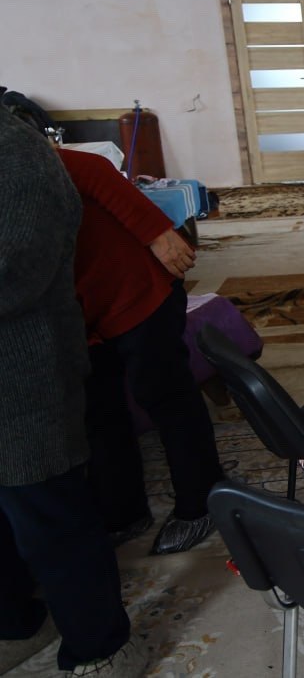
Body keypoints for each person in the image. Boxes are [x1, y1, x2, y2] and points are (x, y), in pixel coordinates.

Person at [0, 108, 145, 676]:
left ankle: (101, 646)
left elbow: (15, 270)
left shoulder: (17, 152)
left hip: (22, 382)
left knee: (50, 520)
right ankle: (15, 620)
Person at [56, 148, 225, 555]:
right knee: (100, 411)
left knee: (164, 396)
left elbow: (92, 169)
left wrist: (157, 232)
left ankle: (200, 505)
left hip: (136, 291)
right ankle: (124, 513)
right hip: (84, 311)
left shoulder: (24, 155)